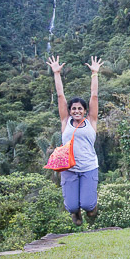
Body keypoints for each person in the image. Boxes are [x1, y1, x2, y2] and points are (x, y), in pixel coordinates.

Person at [46, 56, 103, 226]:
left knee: (88, 204)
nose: (77, 111)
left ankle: (90, 207)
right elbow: (60, 95)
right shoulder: (66, 122)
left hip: (88, 167)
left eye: (80, 108)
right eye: (74, 108)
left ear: (85, 111)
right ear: (69, 111)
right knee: (71, 206)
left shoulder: (91, 122)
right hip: (69, 168)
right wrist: (56, 73)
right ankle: (75, 212)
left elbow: (94, 96)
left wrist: (94, 74)